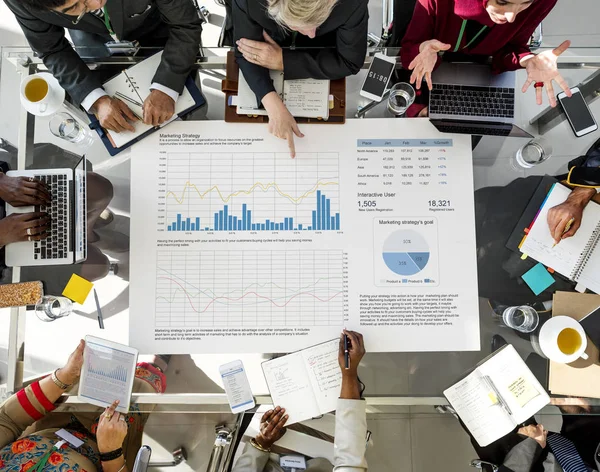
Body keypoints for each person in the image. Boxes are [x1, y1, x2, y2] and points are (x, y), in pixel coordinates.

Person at [4, 0, 203, 132]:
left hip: (159, 25)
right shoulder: (20, 2)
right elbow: (51, 49)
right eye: (74, 6)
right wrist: (96, 100)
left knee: (186, 113)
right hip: (92, 35)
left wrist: (166, 87)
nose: (96, 2)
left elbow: (184, 25)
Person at [0, 340, 168, 471]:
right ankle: (158, 363)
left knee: (93, 374)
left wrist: (63, 377)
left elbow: (7, 419)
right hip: (107, 449)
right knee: (142, 389)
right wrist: (111, 451)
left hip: (55, 420)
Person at [233, 0, 368, 157]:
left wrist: (284, 61)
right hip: (273, 37)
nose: (311, 34)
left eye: (317, 23)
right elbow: (246, 51)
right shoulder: (250, 3)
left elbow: (350, 62)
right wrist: (272, 104)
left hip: (325, 45)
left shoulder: (352, 3)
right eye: (298, 26)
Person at [400, 0, 572, 116]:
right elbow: (411, 47)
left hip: (481, 72)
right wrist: (423, 49)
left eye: (526, 3)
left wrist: (527, 60)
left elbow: (512, 46)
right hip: (428, 71)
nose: (511, 17)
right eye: (502, 2)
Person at [232, 330, 368, 471]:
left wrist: (262, 442)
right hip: (329, 444)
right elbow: (350, 461)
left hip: (271, 443)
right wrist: (349, 372)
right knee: (329, 348)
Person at [0, 159, 114, 285]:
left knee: (101, 188)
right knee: (99, 268)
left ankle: (86, 230)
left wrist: (1, 180)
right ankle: (85, 233)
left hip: (14, 194)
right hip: (7, 253)